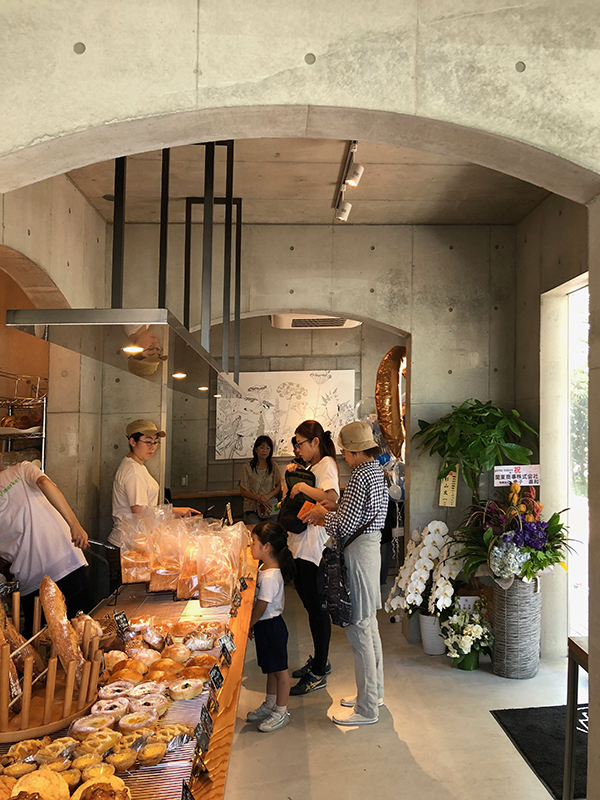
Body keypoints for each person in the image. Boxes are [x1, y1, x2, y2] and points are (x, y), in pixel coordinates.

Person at [301, 420, 388, 725]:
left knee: (359, 629)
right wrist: (333, 509)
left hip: (359, 554)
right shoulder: (376, 470)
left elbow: (346, 524)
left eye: (345, 451)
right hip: (370, 551)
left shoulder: (361, 474)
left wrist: (321, 513)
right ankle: (373, 694)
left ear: (354, 451)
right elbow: (359, 515)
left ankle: (366, 709)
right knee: (369, 627)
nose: (343, 456)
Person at [107, 419, 200, 593]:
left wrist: (172, 513)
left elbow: (144, 508)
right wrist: (172, 511)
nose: (152, 447)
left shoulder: (137, 466)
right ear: (132, 441)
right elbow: (139, 511)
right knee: (128, 600)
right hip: (127, 547)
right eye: (148, 442)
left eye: (155, 442)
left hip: (133, 545)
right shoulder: (133, 470)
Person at [0, 461, 91, 636]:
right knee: (83, 634)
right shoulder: (20, 469)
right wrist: (75, 525)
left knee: (38, 642)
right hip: (65, 563)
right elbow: (44, 482)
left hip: (30, 579)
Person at [286, 420, 339, 696]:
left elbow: (331, 498)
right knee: (310, 608)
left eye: (300, 443)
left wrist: (301, 487)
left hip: (313, 549)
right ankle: (321, 660)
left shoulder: (326, 463)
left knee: (317, 611)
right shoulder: (312, 468)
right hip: (301, 545)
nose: (298, 449)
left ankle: (318, 672)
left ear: (315, 442)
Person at [246, 520, 294, 732]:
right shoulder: (264, 568)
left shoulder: (271, 576)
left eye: (253, 542)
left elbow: (261, 606)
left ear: (266, 547)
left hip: (271, 626)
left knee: (280, 671)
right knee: (270, 668)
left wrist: (249, 624)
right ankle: (270, 703)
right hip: (265, 626)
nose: (250, 546)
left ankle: (281, 711)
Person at [238, 436, 283, 526]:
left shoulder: (273, 466)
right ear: (256, 449)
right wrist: (258, 498)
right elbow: (243, 491)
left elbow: (278, 486)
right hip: (252, 508)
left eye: (268, 448)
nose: (264, 451)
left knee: (271, 527)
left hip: (269, 507)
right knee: (256, 526)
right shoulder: (247, 467)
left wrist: (267, 496)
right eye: (262, 447)